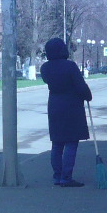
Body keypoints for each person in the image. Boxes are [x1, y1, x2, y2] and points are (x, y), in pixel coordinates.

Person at [40, 37, 92, 187]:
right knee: (71, 141)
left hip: (54, 105)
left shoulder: (45, 68)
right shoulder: (70, 66)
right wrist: (88, 96)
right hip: (71, 106)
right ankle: (66, 177)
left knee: (57, 143)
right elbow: (80, 86)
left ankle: (57, 176)